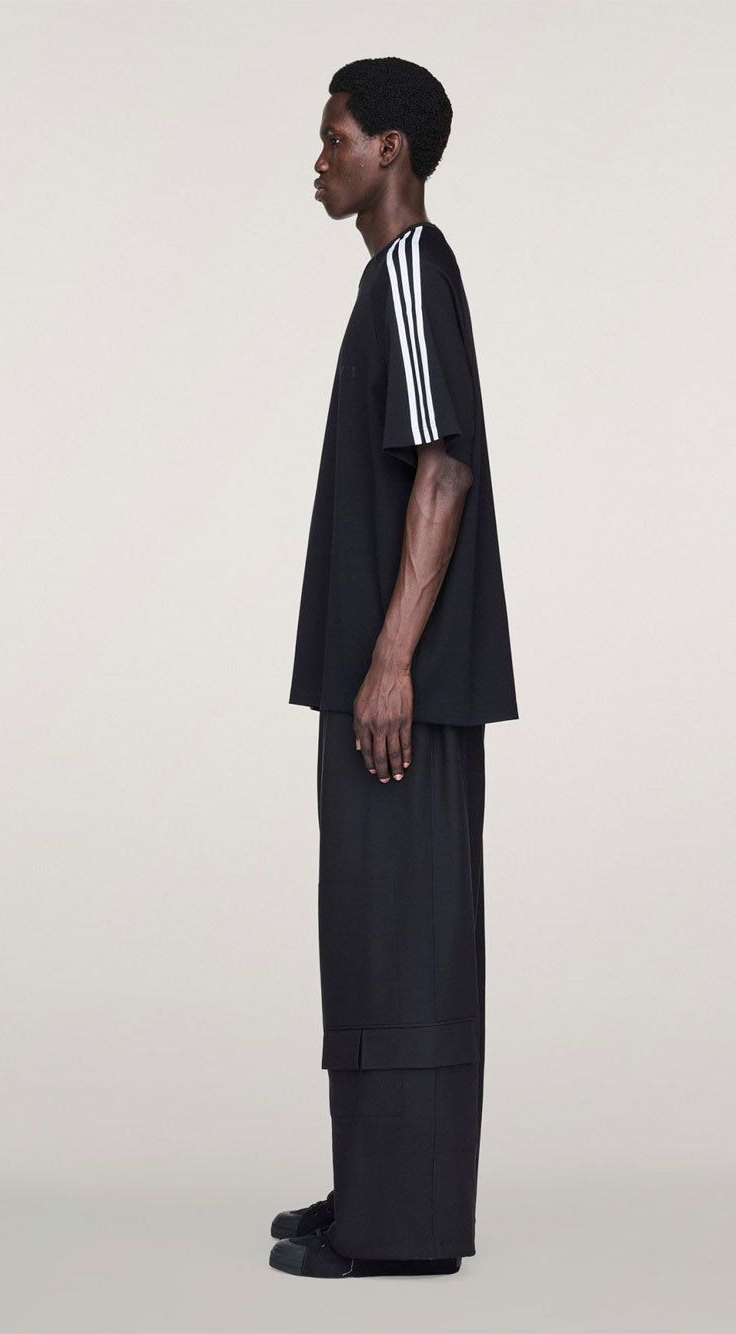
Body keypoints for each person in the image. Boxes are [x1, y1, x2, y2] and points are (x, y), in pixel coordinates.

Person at [269, 56, 518, 1280]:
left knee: (407, 939)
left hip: (400, 688)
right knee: (372, 933)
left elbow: (443, 467)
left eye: (336, 137)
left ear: (391, 152)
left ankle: (400, 1229)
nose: (319, 159)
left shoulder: (414, 272)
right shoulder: (389, 282)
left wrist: (390, 663)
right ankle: (373, 1187)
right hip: (381, 684)